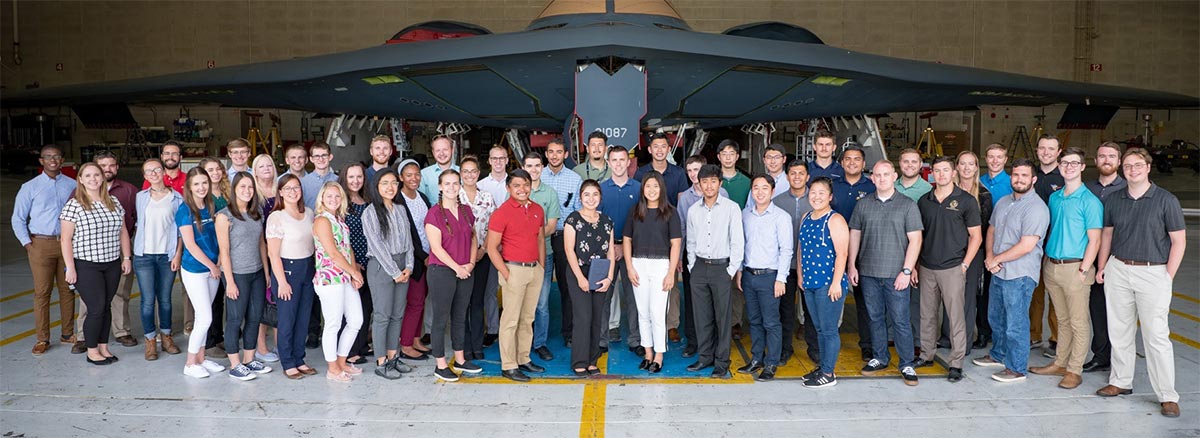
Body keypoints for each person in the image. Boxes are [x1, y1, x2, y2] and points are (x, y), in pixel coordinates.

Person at [1094, 147, 1185, 418]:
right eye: (1128, 166)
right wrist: (1102, 266)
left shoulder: (1165, 200)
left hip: (1153, 271)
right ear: (1123, 169)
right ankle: (1121, 381)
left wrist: (1167, 276)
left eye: (1138, 165)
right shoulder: (1115, 199)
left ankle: (1167, 395)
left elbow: (1179, 241)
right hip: (1119, 268)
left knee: (1156, 336)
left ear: (1148, 168)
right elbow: (1107, 236)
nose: (1132, 170)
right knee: (1119, 330)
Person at [1027, 147, 1102, 390]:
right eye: (1065, 163)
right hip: (1052, 265)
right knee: (1062, 319)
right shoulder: (1055, 198)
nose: (1068, 167)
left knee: (1079, 322)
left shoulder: (1090, 201)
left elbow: (1095, 239)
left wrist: (1084, 270)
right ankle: (1060, 362)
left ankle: (1074, 369)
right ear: (1059, 167)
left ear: (1082, 167)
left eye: (1074, 163)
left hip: (1075, 267)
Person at [973, 158, 1050, 384]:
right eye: (1016, 175)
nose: (1019, 179)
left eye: (1024, 175)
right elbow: (992, 231)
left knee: (1016, 323)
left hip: (1019, 274)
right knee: (996, 317)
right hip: (998, 270)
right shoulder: (1004, 202)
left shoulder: (1036, 208)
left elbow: (1027, 245)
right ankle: (999, 354)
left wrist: (996, 259)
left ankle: (1017, 368)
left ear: (1033, 179)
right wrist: (989, 258)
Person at [848, 160, 922, 386]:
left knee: (900, 319)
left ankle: (907, 362)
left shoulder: (907, 205)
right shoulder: (863, 205)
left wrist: (907, 271)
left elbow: (915, 240)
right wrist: (852, 265)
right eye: (877, 175)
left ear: (894, 176)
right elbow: (854, 235)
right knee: (875, 317)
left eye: (885, 174)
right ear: (872, 178)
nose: (881, 179)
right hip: (868, 272)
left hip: (896, 274)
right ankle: (879, 357)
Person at [914, 156, 981, 382]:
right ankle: (927, 355)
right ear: (932, 173)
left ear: (954, 173)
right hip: (927, 266)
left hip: (953, 267)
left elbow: (976, 237)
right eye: (937, 170)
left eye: (945, 170)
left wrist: (964, 264)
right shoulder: (925, 201)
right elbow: (918, 237)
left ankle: (956, 363)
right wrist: (915, 265)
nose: (941, 174)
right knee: (927, 315)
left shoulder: (967, 201)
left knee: (955, 317)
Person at [60, 162, 132, 366]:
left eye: (96, 175)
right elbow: (66, 239)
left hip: (111, 263)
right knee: (96, 307)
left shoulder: (114, 202)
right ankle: (92, 350)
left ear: (102, 178)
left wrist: (126, 257)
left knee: (106, 306)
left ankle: (103, 346)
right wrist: (70, 268)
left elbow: (123, 231)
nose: (93, 179)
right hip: (86, 265)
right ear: (80, 180)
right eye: (88, 175)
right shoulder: (74, 205)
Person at [12, 144, 77, 355]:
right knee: (42, 293)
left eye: (57, 157)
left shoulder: (73, 185)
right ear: (41, 161)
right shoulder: (29, 187)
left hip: (68, 244)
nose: (53, 160)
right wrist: (28, 244)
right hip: (41, 244)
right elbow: (18, 218)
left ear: (62, 159)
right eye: (48, 157)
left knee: (68, 289)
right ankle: (42, 338)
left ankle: (67, 334)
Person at [486, 169, 548, 382]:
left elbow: (540, 239)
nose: (522, 189)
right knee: (510, 320)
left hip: (534, 270)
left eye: (525, 184)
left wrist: (541, 266)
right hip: (513, 270)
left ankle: (523, 358)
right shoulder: (501, 213)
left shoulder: (538, 209)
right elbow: (491, 247)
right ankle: (509, 365)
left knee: (527, 318)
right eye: (517, 185)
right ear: (508, 188)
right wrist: (505, 272)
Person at [685, 164, 744, 379]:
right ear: (698, 184)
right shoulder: (693, 211)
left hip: (722, 268)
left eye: (713, 181)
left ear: (720, 183)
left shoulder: (731, 208)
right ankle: (704, 357)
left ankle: (722, 362)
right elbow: (690, 241)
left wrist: (730, 270)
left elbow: (738, 241)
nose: (709, 186)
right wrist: (692, 265)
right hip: (700, 267)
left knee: (722, 317)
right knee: (702, 316)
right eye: (704, 181)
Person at [425, 170, 484, 381]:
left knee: (460, 316)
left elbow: (474, 238)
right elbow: (437, 248)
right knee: (441, 319)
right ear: (440, 187)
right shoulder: (434, 214)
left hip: (466, 270)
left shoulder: (467, 211)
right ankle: (440, 364)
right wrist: (457, 268)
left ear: (460, 186)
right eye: (447, 184)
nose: (451, 187)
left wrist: (469, 262)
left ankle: (460, 360)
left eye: (455, 183)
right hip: (442, 271)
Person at [215, 172, 273, 380]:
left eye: (250, 187)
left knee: (255, 316)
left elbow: (261, 244)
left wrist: (266, 272)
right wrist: (229, 281)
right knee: (235, 318)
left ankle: (249, 359)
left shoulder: (256, 212)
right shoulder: (224, 216)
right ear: (234, 189)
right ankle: (235, 364)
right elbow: (224, 251)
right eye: (242, 187)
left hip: (256, 272)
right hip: (237, 274)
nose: (247, 191)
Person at [361, 168, 417, 379]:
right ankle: (381, 361)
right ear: (376, 186)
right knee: (383, 315)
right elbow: (376, 245)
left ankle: (394, 356)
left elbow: (409, 242)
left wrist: (409, 266)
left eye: (394, 182)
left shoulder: (400, 209)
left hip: (403, 266)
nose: (390, 187)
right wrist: (394, 271)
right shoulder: (370, 212)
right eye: (385, 183)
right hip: (382, 267)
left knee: (397, 314)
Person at [624, 171, 682, 374]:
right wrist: (630, 267)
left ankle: (659, 354)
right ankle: (648, 353)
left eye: (655, 186)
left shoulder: (670, 212)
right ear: (642, 189)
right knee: (643, 312)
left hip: (661, 266)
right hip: (639, 264)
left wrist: (671, 273)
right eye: (648, 186)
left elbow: (676, 244)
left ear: (661, 189)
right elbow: (627, 240)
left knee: (658, 313)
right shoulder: (635, 211)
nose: (651, 190)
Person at [736, 174, 792, 381]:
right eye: (756, 188)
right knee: (754, 320)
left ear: (772, 191)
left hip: (770, 277)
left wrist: (781, 279)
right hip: (750, 275)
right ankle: (756, 359)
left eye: (764, 188)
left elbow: (786, 250)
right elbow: (741, 245)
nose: (759, 192)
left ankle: (771, 363)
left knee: (771, 322)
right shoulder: (744, 214)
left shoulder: (781, 217)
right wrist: (740, 272)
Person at [797, 177, 849, 388]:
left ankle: (828, 373)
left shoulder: (835, 219)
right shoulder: (805, 217)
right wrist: (800, 275)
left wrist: (836, 282)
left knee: (828, 330)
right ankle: (823, 366)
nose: (816, 197)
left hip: (828, 284)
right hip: (809, 282)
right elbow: (801, 249)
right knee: (818, 328)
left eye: (821, 193)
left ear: (830, 197)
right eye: (813, 192)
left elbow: (842, 253)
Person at [311, 181, 365, 382]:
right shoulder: (322, 221)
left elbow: (347, 248)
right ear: (322, 199)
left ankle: (342, 362)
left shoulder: (339, 220)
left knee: (356, 320)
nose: (333, 200)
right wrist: (354, 272)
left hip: (344, 276)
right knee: (333, 324)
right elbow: (333, 253)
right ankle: (332, 368)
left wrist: (353, 272)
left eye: (337, 196)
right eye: (329, 196)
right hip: (329, 278)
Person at [266, 174, 319, 379]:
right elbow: (273, 253)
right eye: (287, 188)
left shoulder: (309, 213)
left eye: (296, 187)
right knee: (287, 319)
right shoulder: (276, 217)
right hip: (287, 269)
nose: (292, 192)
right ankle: (288, 361)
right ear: (280, 192)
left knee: (303, 317)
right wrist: (281, 282)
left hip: (308, 267)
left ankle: (299, 358)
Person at [1082, 141, 1127, 373]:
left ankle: (1120, 361)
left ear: (1119, 161)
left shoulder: (1128, 188)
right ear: (1095, 160)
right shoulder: (1086, 188)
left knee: (1120, 315)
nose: (1106, 160)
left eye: (1111, 156)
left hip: (1118, 260)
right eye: (1101, 156)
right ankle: (1101, 356)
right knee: (1097, 310)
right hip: (1091, 260)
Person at [176, 168, 225, 378]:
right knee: (205, 317)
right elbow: (190, 245)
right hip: (196, 269)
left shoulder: (212, 205)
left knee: (205, 316)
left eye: (204, 182)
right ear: (189, 187)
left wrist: (220, 260)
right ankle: (189, 363)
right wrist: (212, 266)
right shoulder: (184, 210)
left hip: (214, 268)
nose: (201, 187)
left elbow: (221, 235)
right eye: (196, 184)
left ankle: (201, 359)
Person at [678, 155, 729, 357]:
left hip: (720, 263)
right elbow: (685, 232)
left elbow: (732, 235)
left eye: (697, 170)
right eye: (690, 171)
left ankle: (719, 354)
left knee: (719, 311)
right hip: (697, 262)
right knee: (697, 309)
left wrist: (732, 268)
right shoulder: (688, 203)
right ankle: (699, 349)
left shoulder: (726, 201)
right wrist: (688, 262)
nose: (694, 175)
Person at [133, 158, 184, 360]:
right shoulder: (140, 197)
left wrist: (177, 254)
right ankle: (150, 340)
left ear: (163, 171)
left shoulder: (177, 198)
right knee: (147, 301)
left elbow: (181, 230)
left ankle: (167, 336)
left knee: (165, 300)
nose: (153, 173)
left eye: (156, 169)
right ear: (145, 176)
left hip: (167, 256)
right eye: (148, 171)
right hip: (144, 256)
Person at [87, 151, 139, 348]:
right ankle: (84, 335)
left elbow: (136, 217)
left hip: (120, 246)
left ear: (117, 167)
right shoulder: (81, 192)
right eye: (102, 165)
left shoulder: (129, 190)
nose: (107, 169)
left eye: (111, 165)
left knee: (121, 290)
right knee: (90, 294)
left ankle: (122, 331)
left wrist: (127, 252)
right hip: (90, 249)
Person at [564, 179, 615, 376]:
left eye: (595, 195)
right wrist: (580, 278)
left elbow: (610, 251)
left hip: (601, 272)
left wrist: (609, 277)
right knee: (583, 317)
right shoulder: (573, 220)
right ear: (580, 197)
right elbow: (569, 250)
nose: (591, 198)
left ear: (600, 197)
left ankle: (592, 360)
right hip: (580, 272)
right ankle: (579, 361)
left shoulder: (607, 221)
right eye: (587, 195)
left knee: (596, 317)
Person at [831, 145, 876, 360]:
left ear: (863, 164)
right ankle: (830, 341)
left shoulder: (872, 187)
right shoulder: (833, 186)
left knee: (865, 301)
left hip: (864, 251)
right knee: (832, 296)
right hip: (834, 251)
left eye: (856, 159)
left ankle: (867, 344)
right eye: (847, 159)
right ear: (841, 163)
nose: (852, 162)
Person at [598, 146, 641, 354]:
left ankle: (635, 340)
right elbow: (596, 223)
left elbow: (643, 223)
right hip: (607, 250)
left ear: (628, 163)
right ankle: (601, 340)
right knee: (603, 295)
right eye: (614, 160)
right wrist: (611, 247)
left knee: (634, 296)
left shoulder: (639, 189)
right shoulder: (601, 189)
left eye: (622, 160)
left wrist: (625, 247)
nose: (618, 164)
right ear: (608, 163)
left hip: (632, 250)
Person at [772, 158, 815, 364]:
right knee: (785, 310)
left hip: (810, 265)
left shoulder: (816, 199)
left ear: (807, 177)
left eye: (801, 173)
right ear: (787, 176)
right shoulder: (778, 201)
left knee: (811, 310)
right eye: (793, 173)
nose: (797, 177)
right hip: (786, 266)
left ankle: (814, 349)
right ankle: (784, 349)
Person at [951, 151, 994, 352]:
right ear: (957, 167)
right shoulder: (948, 190)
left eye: (971, 164)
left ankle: (965, 341)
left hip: (973, 251)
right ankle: (948, 336)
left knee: (968, 298)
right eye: (963, 163)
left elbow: (984, 230)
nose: (967, 168)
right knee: (950, 297)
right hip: (950, 250)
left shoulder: (983, 195)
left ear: (977, 168)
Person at [521, 151, 562, 361]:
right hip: (519, 257)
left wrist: (530, 236)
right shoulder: (517, 192)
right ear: (523, 168)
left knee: (542, 303)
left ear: (542, 167)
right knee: (522, 302)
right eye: (529, 166)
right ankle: (523, 344)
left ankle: (540, 343)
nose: (534, 170)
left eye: (537, 165)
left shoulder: (550, 194)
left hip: (543, 254)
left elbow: (552, 225)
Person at [543, 139, 583, 349]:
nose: (555, 155)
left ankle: (569, 332)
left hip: (565, 237)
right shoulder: (537, 176)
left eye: (559, 152)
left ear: (566, 154)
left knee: (568, 288)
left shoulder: (575, 179)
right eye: (551, 152)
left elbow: (577, 211)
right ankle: (538, 334)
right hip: (540, 238)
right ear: (546, 154)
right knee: (540, 288)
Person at [459, 156, 498, 360]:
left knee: (477, 301)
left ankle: (477, 345)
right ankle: (464, 346)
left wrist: (483, 249)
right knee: (461, 303)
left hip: (482, 256)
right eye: (465, 171)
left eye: (473, 171)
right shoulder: (453, 196)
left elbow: (494, 227)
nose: (470, 175)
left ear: (478, 173)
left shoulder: (488, 198)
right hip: (459, 260)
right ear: (460, 174)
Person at [1031, 134, 1064, 355]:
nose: (1046, 152)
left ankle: (1056, 338)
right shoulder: (1030, 174)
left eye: (1051, 149)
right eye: (1042, 148)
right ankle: (1034, 335)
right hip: (1032, 243)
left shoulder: (1064, 176)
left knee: (1055, 294)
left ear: (1059, 152)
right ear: (1037, 150)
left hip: (1055, 244)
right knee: (1034, 292)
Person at [396, 159, 433, 359]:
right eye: (409, 175)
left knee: (421, 301)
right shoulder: (398, 200)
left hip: (428, 256)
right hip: (413, 258)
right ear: (401, 177)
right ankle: (406, 344)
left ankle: (416, 339)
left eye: (417, 174)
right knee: (414, 302)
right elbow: (407, 234)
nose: (414, 178)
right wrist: (423, 256)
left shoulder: (422, 197)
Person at [339, 163, 373, 365]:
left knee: (366, 307)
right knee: (349, 310)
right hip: (351, 264)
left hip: (369, 261)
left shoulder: (367, 201)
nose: (355, 181)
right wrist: (353, 265)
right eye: (351, 177)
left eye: (359, 177)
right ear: (345, 178)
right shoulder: (341, 203)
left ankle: (361, 345)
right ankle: (349, 350)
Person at [251, 153, 280, 363]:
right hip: (261, 250)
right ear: (255, 170)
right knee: (263, 300)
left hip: (281, 249)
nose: (266, 168)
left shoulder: (281, 189)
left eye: (269, 164)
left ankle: (280, 344)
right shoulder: (253, 193)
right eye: (261, 166)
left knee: (279, 300)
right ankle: (261, 346)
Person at [198, 158, 230, 345]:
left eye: (218, 169)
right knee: (213, 299)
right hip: (211, 251)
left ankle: (223, 334)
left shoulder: (228, 192)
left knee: (227, 296)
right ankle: (211, 340)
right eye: (210, 170)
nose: (216, 173)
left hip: (229, 250)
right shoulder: (203, 196)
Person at [634, 133, 688, 206]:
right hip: (647, 216)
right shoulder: (641, 173)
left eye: (663, 146)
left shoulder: (679, 173)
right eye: (656, 147)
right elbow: (637, 200)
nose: (659, 150)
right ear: (650, 149)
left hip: (672, 216)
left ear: (669, 149)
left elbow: (682, 202)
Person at [419, 135, 460, 203]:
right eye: (438, 150)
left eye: (445, 149)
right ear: (433, 152)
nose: (441, 153)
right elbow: (421, 202)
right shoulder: (424, 174)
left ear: (452, 150)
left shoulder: (462, 173)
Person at [301, 142, 338, 209]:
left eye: (324, 155)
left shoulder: (338, 180)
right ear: (311, 159)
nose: (321, 159)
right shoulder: (303, 182)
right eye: (317, 156)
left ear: (330, 157)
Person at [716, 139, 750, 208]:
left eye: (731, 154)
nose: (728, 158)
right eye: (724, 154)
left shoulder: (747, 182)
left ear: (737, 157)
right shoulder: (713, 180)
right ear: (719, 157)